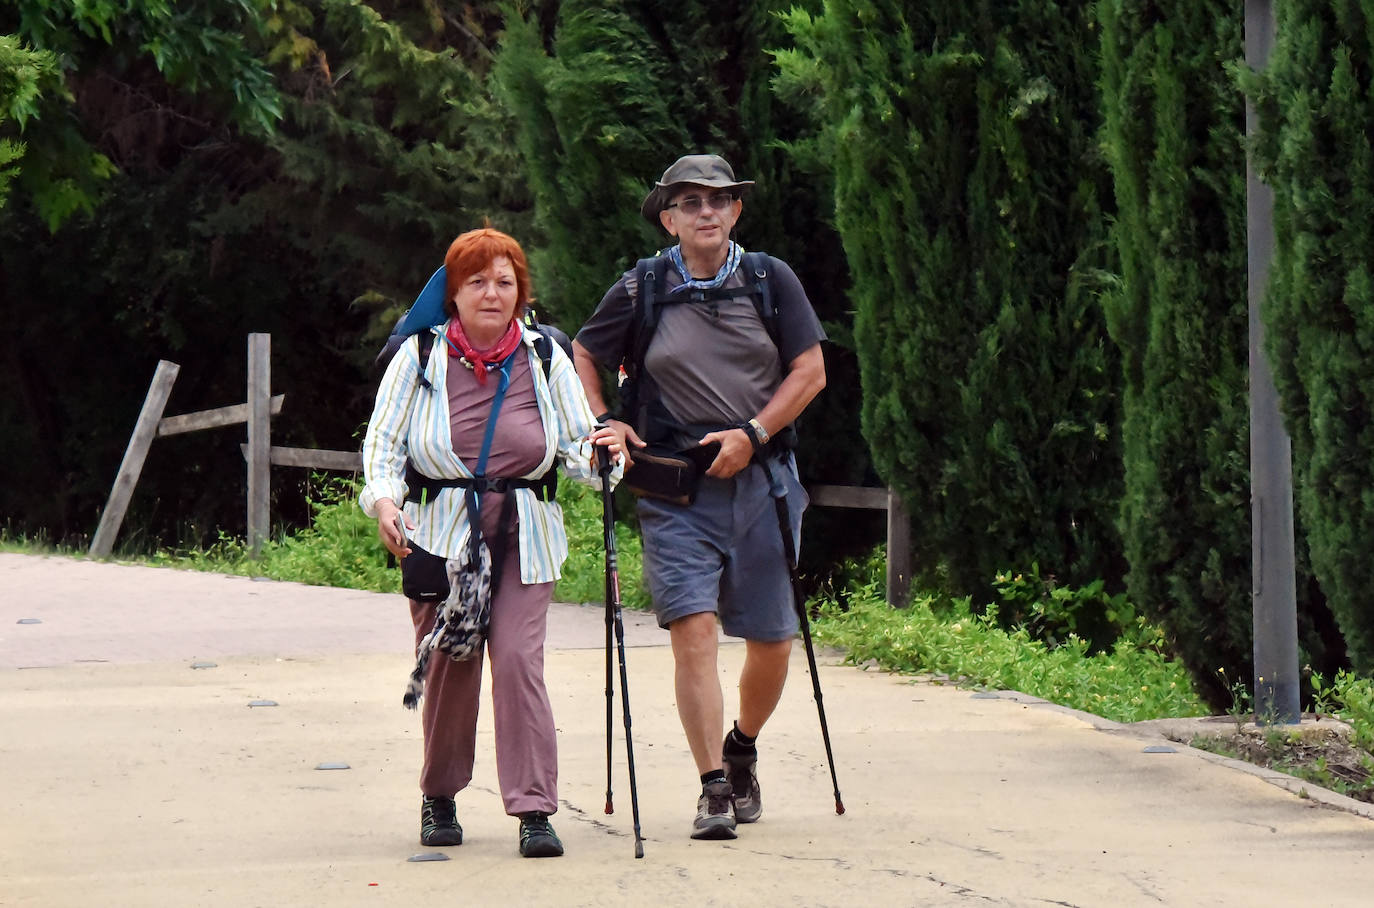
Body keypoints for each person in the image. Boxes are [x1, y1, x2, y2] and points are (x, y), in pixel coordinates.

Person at [573, 154, 827, 840]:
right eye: (689, 202)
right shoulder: (642, 286)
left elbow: (811, 372)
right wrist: (605, 420)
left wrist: (753, 432)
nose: (706, 211)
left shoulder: (772, 280)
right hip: (673, 488)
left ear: (736, 211)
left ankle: (742, 747)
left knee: (774, 640)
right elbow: (584, 353)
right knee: (694, 634)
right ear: (669, 217)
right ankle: (713, 785)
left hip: (765, 482)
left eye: (718, 200)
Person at [360, 226, 621, 857]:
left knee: (519, 661)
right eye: (477, 281)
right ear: (452, 292)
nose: (491, 293)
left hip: (524, 532)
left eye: (505, 282)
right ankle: (440, 796)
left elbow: (577, 445)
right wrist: (385, 502)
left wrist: (605, 455)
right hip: (440, 532)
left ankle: (534, 809)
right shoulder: (419, 356)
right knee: (452, 662)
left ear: (520, 293)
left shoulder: (543, 355)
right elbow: (383, 444)